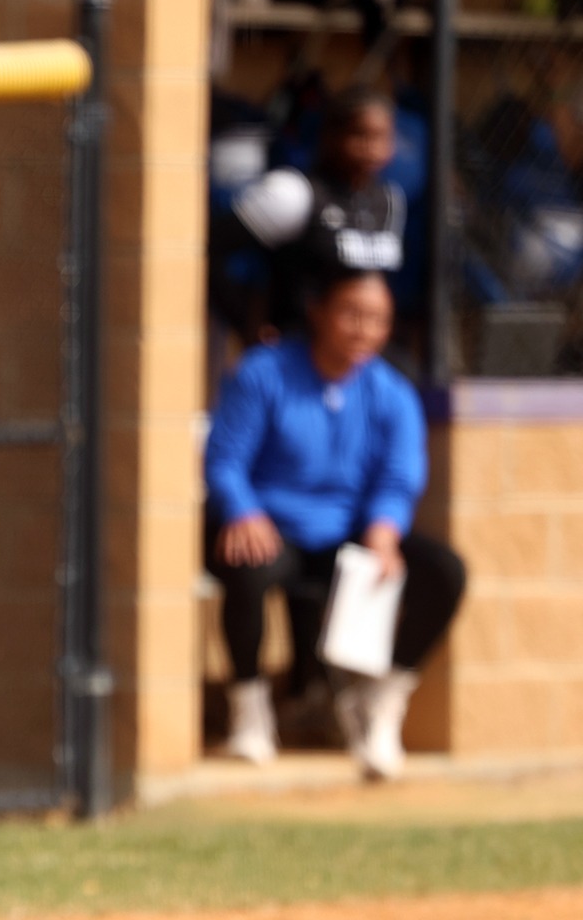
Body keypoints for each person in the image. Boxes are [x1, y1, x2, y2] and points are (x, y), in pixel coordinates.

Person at [203, 270, 465, 780]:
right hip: (273, 526)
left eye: (378, 320)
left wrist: (384, 531)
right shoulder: (264, 372)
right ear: (319, 311)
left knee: (444, 572)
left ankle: (382, 705)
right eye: (352, 314)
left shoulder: (392, 392)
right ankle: (250, 715)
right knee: (247, 563)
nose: (364, 330)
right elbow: (225, 459)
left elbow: (398, 476)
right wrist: (243, 509)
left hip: (348, 531)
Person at [209, 87, 408, 349]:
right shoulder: (294, 193)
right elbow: (210, 250)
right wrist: (247, 323)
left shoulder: (391, 201)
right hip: (296, 355)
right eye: (360, 135)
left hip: (359, 359)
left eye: (382, 138)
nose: (372, 149)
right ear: (331, 137)